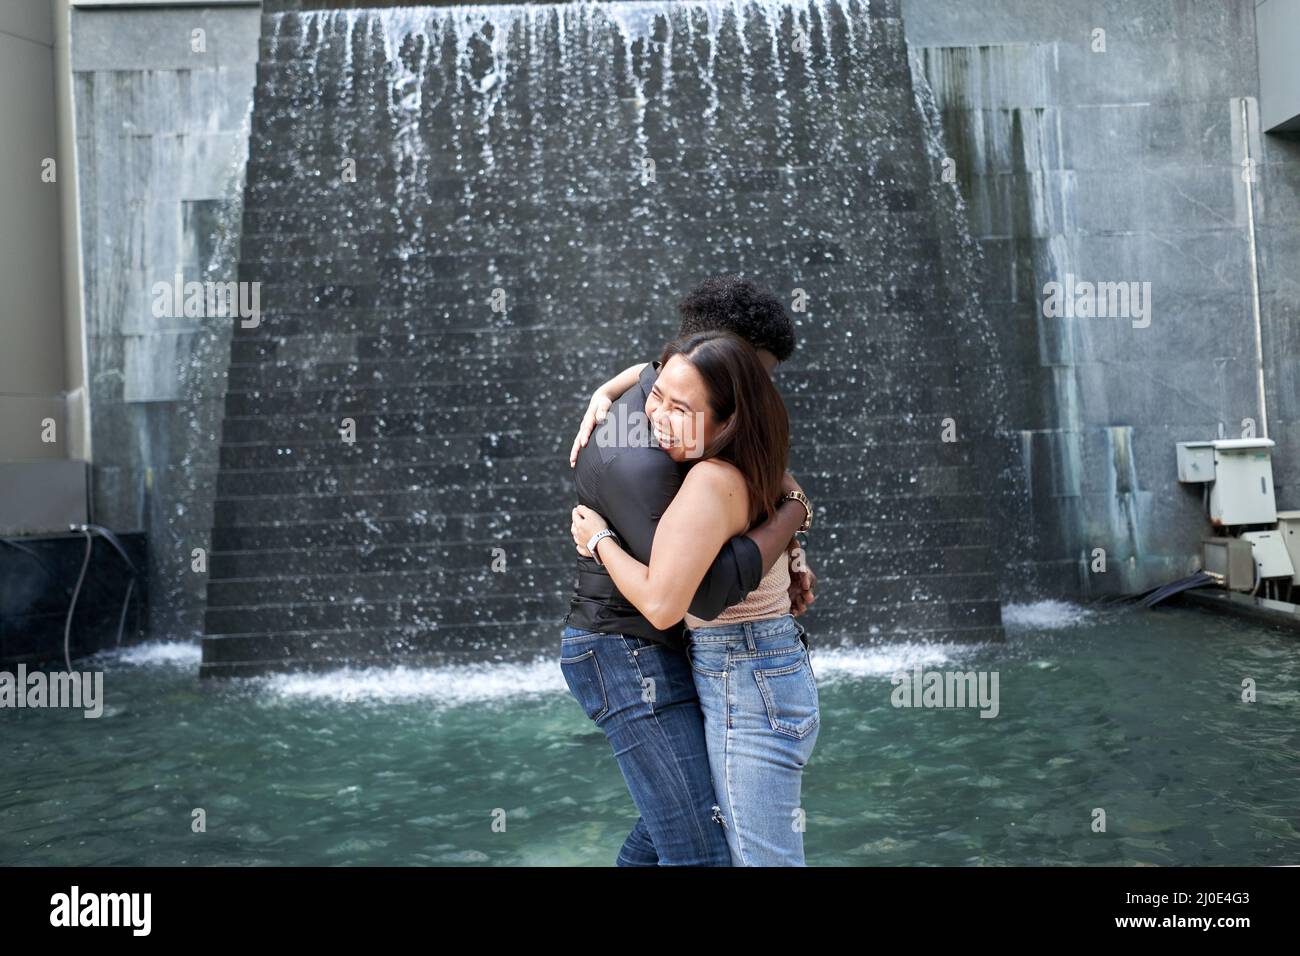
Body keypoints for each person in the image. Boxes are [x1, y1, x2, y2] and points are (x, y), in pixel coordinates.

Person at [561, 276, 815, 866]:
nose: (761, 386)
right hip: (625, 650)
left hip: (692, 651)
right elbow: (705, 592)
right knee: (700, 848)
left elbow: (757, 479)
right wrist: (597, 539)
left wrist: (794, 536)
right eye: (755, 369)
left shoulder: (680, 414)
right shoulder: (655, 453)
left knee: (676, 824)